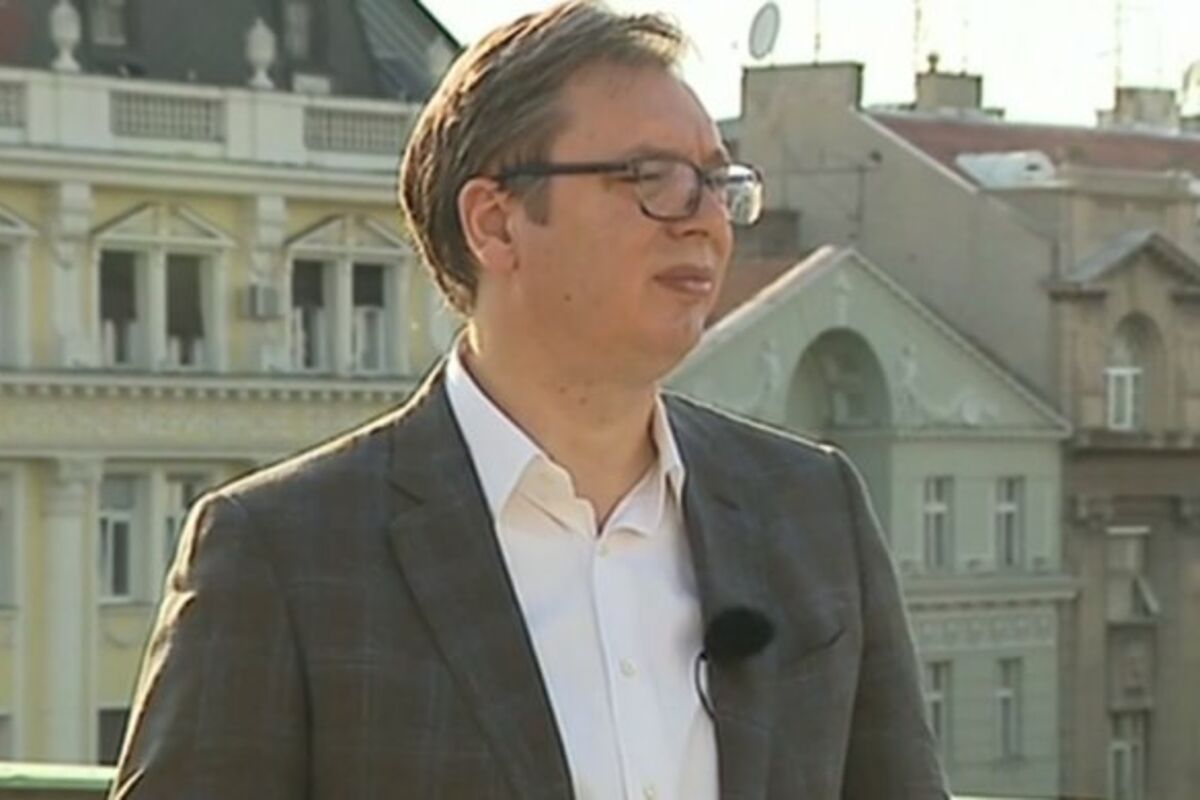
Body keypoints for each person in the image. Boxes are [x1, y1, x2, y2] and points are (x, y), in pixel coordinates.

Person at [109, 2, 949, 798]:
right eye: (653, 178)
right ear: (496, 223)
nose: (706, 220)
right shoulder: (284, 552)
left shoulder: (810, 510)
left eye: (716, 180)